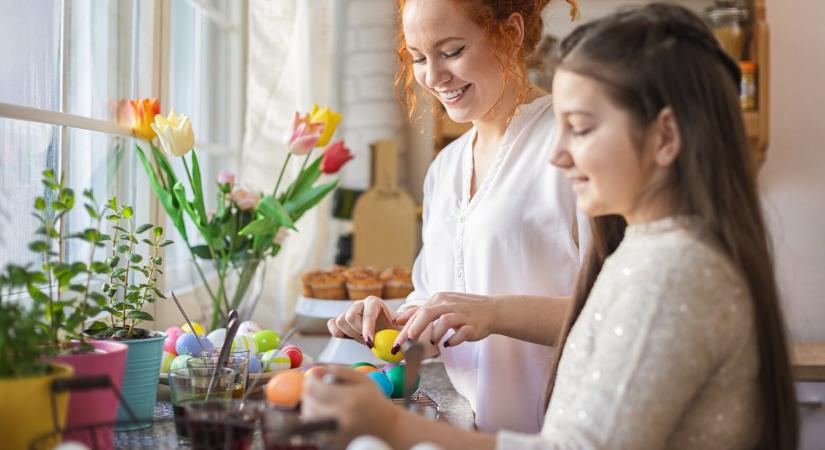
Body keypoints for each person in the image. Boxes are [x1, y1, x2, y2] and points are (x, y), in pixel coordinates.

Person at [306, 3, 800, 449]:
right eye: (417, 57)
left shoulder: (671, 271)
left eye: (579, 129)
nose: (560, 154)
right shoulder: (653, 255)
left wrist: (394, 426)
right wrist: (406, 325)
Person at [326, 0, 586, 433]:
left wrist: (496, 312)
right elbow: (437, 300)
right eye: (418, 58)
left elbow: (616, 312)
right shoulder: (445, 168)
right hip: (474, 429)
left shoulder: (575, 142)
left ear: (511, 33)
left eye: (452, 51)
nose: (433, 76)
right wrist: (398, 325)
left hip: (564, 431)